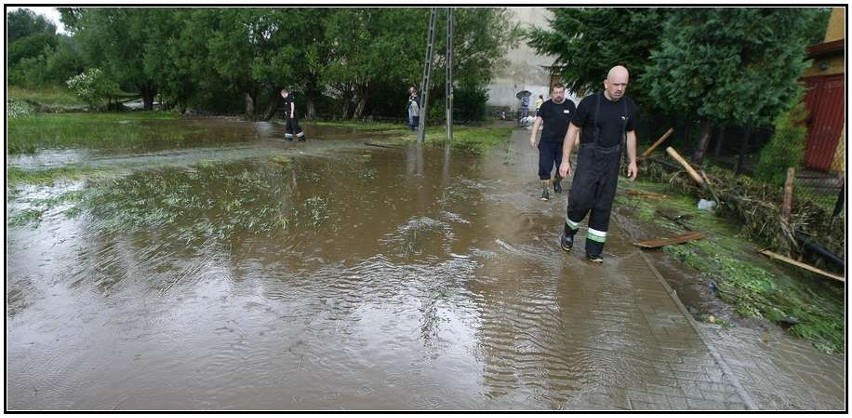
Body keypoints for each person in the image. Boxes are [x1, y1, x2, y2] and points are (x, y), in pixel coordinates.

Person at [558, 65, 638, 263]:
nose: (619, 88)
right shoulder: (589, 103)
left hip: (612, 162)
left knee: (603, 206)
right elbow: (572, 130)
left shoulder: (629, 107)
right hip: (589, 160)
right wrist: (565, 159)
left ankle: (594, 251)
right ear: (606, 83)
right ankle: (569, 233)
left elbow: (630, 134)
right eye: (616, 84)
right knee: (580, 201)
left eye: (624, 85)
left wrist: (633, 161)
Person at [529, 83, 576, 201]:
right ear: (551, 94)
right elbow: (538, 121)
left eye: (561, 92)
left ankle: (556, 182)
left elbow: (576, 124)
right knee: (545, 167)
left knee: (564, 167)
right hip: (547, 143)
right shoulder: (546, 106)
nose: (558, 95)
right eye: (556, 92)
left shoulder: (570, 105)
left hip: (564, 144)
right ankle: (545, 191)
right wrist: (533, 137)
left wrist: (577, 137)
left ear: (564, 92)